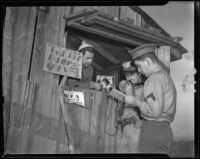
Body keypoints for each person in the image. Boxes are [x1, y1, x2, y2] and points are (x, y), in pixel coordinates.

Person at [125, 44, 177, 155]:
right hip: (164, 129)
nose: (139, 70)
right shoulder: (165, 76)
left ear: (148, 61)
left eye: (139, 66)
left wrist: (134, 101)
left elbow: (154, 111)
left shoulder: (153, 79)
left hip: (153, 130)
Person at [117, 60, 145, 153]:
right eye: (126, 75)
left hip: (136, 126)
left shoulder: (144, 88)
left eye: (131, 74)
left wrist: (142, 120)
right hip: (125, 126)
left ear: (139, 73)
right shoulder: (128, 87)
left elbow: (150, 106)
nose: (128, 78)